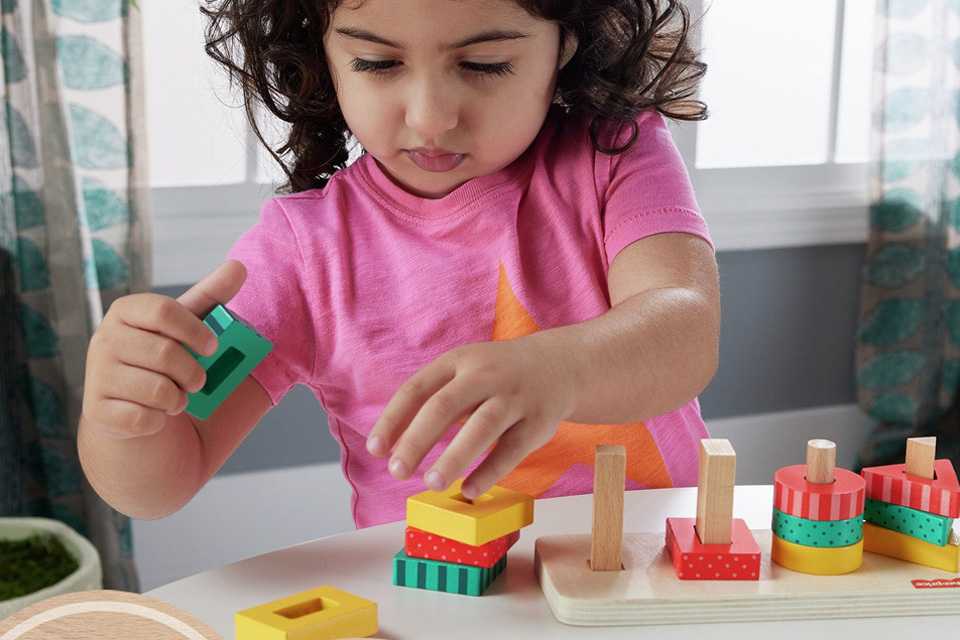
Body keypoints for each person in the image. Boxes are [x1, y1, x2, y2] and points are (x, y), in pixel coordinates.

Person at [78, 0, 720, 529]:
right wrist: (122, 418)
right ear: (323, 58)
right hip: (438, 604)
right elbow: (160, 485)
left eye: (486, 64)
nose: (431, 117)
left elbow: (684, 332)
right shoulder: (301, 253)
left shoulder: (618, 153)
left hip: (647, 570)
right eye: (376, 62)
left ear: (566, 45)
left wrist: (561, 368)